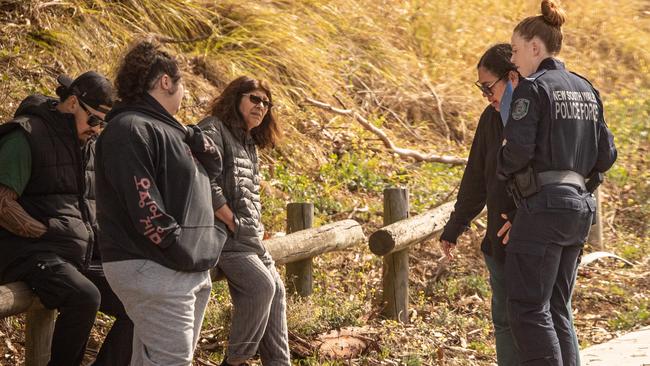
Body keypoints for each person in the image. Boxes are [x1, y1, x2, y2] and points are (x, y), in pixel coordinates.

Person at [496, 1, 617, 365]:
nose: (513, 61)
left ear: (535, 47)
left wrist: (501, 160)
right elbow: (606, 155)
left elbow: (516, 154)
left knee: (528, 308)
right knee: (556, 308)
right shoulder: (586, 89)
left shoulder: (534, 89)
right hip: (579, 210)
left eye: (515, 50)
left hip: (543, 209)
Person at [95, 39, 227, 365]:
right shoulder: (129, 129)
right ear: (166, 81)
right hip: (157, 266)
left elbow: (204, 178)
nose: (184, 93)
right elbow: (145, 206)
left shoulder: (169, 130)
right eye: (181, 83)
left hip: (182, 265)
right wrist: (178, 246)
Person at [0, 71, 133, 365]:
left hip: (74, 255)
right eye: (94, 120)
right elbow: (2, 202)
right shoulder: (27, 135)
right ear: (73, 102)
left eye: (103, 123)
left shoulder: (88, 145)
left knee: (138, 300)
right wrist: (40, 230)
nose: (98, 129)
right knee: (85, 296)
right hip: (29, 252)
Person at [198, 76, 289, 366]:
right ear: (236, 97)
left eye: (266, 102)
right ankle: (234, 362)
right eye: (254, 98)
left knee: (277, 292)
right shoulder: (213, 128)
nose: (261, 106)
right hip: (224, 238)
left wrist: (249, 227)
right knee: (262, 287)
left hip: (247, 238)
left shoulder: (248, 142)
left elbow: (247, 194)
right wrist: (232, 221)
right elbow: (203, 180)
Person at [440, 43, 520, 366]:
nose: (486, 96)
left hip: (530, 241)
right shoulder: (490, 119)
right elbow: (475, 178)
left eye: (488, 87)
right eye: (481, 89)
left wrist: (523, 218)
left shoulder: (532, 115)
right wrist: (455, 226)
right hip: (497, 247)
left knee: (541, 320)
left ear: (512, 77)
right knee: (503, 322)